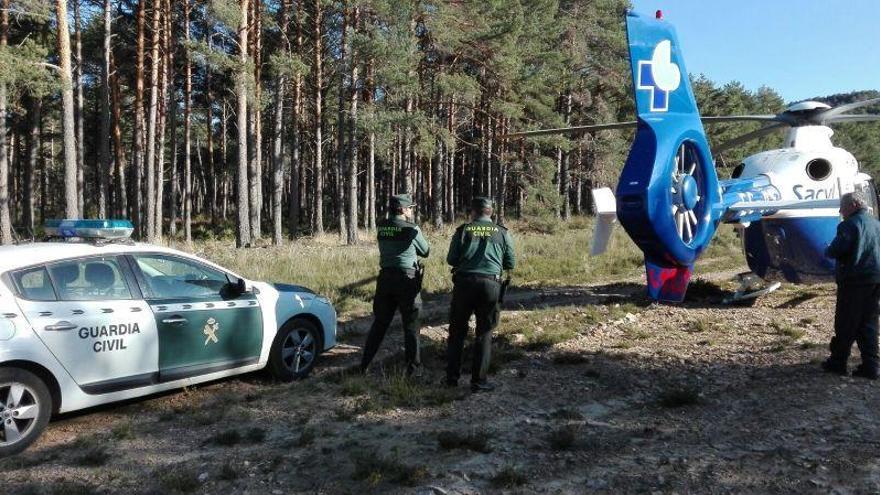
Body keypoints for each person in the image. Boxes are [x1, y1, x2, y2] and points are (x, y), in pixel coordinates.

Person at [445, 197, 516, 392]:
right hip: (490, 285)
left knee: (457, 332)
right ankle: (478, 381)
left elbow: (451, 259)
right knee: (484, 333)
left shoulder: (463, 231)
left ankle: (451, 379)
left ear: (473, 212)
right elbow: (510, 262)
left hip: (465, 283)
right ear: (490, 212)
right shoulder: (502, 233)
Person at [360, 194, 430, 376]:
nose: (412, 211)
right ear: (403, 209)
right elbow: (426, 251)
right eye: (410, 208)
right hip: (407, 279)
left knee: (380, 324)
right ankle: (413, 370)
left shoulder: (382, 227)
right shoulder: (411, 228)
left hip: (385, 280)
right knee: (411, 325)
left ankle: (364, 365)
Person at [823, 190, 880, 379]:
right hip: (875, 280)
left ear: (853, 205)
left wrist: (827, 249)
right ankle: (871, 365)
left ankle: (838, 362)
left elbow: (835, 250)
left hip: (854, 281)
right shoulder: (876, 224)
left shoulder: (849, 226)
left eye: (843, 206)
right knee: (869, 322)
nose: (841, 210)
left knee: (846, 323)